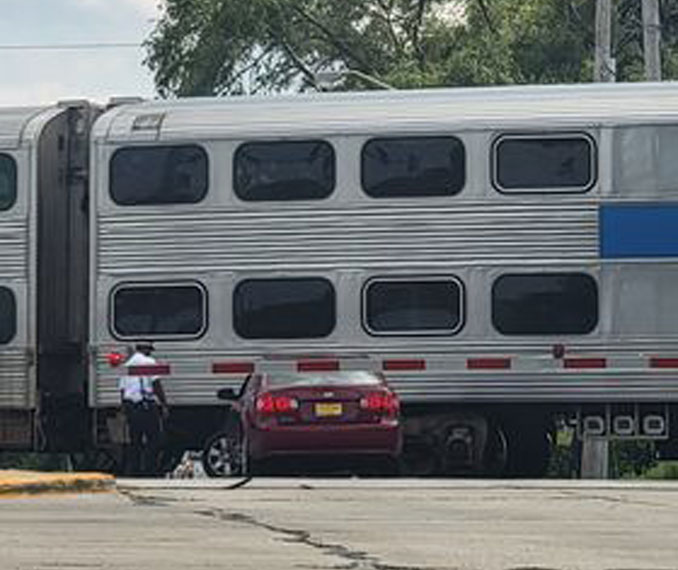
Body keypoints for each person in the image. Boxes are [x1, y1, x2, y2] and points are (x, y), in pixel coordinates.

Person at [118, 341, 168, 476]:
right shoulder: (149, 362)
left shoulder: (127, 365)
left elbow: (122, 391)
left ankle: (134, 470)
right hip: (145, 406)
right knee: (154, 439)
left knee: (135, 440)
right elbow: (156, 384)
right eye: (150, 350)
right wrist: (164, 404)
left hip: (130, 406)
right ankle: (150, 470)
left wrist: (123, 409)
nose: (150, 353)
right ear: (146, 350)